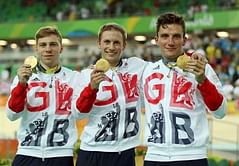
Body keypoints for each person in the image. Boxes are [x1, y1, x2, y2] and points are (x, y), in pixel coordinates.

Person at [142, 12, 227, 166]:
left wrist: (202, 80)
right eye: (165, 36)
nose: (170, 41)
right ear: (156, 40)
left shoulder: (202, 68)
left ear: (184, 40)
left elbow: (220, 112)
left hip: (192, 157)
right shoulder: (147, 70)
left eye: (176, 36)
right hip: (154, 157)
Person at [74, 23, 147, 166]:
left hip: (125, 152)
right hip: (92, 151)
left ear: (124, 45)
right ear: (99, 44)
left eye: (116, 42)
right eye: (107, 42)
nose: (111, 47)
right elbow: (79, 114)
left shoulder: (138, 66)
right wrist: (92, 88)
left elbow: (165, 64)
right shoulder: (86, 75)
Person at [6, 26, 80, 166]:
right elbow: (12, 115)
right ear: (37, 49)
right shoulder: (23, 77)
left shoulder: (74, 77)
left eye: (53, 44)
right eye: (43, 45)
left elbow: (81, 113)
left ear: (61, 48)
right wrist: (22, 84)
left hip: (61, 154)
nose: (48, 49)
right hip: (27, 152)